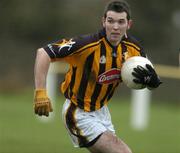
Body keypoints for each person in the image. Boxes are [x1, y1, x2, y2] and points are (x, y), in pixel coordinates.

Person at [33, 0, 161, 153]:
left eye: (121, 22)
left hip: (102, 112)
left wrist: (152, 82)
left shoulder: (134, 49)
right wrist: (40, 92)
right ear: (103, 21)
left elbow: (150, 77)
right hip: (78, 112)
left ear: (129, 24)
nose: (115, 27)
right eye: (110, 21)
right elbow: (43, 53)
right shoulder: (86, 45)